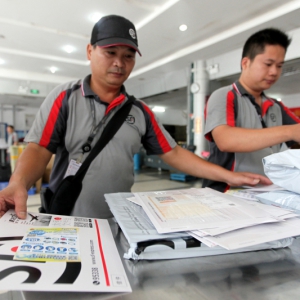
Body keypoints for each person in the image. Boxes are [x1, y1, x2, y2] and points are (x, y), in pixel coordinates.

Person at [0, 15, 271, 220]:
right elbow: (38, 148)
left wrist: (229, 176)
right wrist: (18, 182)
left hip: (118, 220)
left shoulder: (139, 111)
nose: (120, 63)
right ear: (90, 51)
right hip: (65, 218)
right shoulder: (66, 98)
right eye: (110, 53)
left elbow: (173, 154)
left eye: (128, 56)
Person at [203, 28, 300, 192]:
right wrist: (290, 132)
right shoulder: (225, 95)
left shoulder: (276, 106)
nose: (274, 72)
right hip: (226, 192)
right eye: (268, 64)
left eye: (279, 65)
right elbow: (225, 140)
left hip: (265, 191)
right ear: (245, 63)